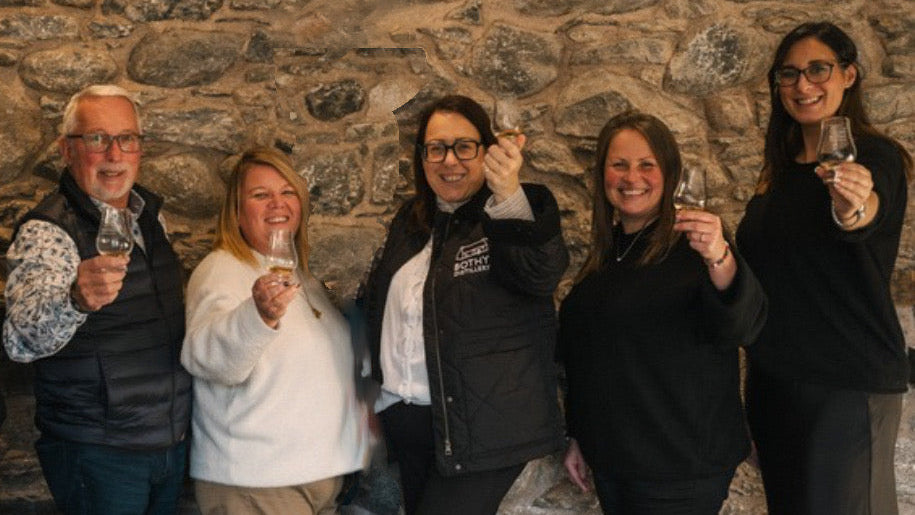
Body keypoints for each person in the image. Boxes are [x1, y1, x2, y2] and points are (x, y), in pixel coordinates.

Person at [736, 21, 913, 515]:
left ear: (849, 75)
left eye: (818, 70)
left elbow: (860, 213)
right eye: (788, 74)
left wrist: (852, 206)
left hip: (847, 383)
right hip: (775, 383)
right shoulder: (778, 170)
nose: (802, 85)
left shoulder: (872, 157)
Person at [362, 94, 568, 515]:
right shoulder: (411, 221)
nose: (449, 160)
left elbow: (540, 273)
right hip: (410, 423)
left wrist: (508, 193)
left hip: (482, 428)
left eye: (463, 146)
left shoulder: (506, 212)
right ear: (422, 157)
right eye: (436, 148)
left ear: (487, 149)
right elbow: (382, 310)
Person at [558, 110, 767, 514]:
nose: (631, 177)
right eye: (618, 165)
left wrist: (719, 256)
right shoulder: (609, 255)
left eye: (646, 165)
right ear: (602, 175)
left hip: (679, 467)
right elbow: (593, 359)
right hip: (616, 461)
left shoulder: (697, 246)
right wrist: (580, 435)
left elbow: (741, 324)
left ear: (669, 174)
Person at [2, 84, 191, 514]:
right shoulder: (47, 231)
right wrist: (75, 300)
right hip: (99, 451)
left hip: (166, 441)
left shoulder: (149, 217)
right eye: (96, 139)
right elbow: (19, 339)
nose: (113, 153)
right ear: (66, 150)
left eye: (126, 138)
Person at [180, 146, 369, 515]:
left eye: (286, 192)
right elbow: (207, 358)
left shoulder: (301, 278)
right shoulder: (221, 270)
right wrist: (258, 316)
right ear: (236, 213)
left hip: (316, 481)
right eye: (260, 195)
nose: (277, 204)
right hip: (257, 486)